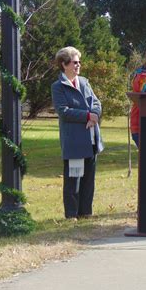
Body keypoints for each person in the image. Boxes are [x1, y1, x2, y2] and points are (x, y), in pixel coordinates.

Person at [51, 46, 104, 220]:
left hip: (91, 139)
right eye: (75, 62)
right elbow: (63, 111)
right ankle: (71, 214)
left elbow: (96, 102)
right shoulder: (58, 87)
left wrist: (94, 114)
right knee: (74, 179)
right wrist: (87, 115)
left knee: (89, 179)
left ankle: (85, 212)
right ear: (64, 64)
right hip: (74, 141)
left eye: (79, 62)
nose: (78, 65)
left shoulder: (84, 82)